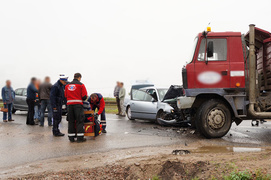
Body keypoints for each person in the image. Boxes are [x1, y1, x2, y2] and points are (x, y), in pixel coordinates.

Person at [65, 73, 88, 142]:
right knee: (79, 121)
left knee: (71, 121)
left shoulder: (67, 85)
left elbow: (65, 95)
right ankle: (80, 138)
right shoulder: (81, 85)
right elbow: (84, 96)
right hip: (78, 105)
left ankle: (71, 138)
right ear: (79, 77)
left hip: (69, 105)